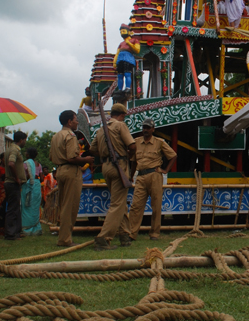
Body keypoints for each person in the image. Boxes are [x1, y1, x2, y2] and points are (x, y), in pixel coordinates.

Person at [89, 103, 137, 250]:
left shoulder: (101, 129)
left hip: (106, 167)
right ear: (122, 115)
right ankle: (104, 237)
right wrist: (124, 156)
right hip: (119, 166)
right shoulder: (120, 126)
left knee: (119, 201)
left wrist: (107, 154)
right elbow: (132, 146)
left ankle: (124, 235)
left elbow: (92, 150)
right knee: (117, 204)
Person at [128, 119, 177, 241]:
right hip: (140, 176)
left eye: (148, 128)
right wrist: (130, 176)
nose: (145, 130)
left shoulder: (159, 142)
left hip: (155, 175)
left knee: (156, 205)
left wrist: (165, 170)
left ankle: (154, 233)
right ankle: (131, 233)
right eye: (144, 127)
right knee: (135, 206)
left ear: (153, 129)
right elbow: (133, 162)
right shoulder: (136, 142)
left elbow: (173, 155)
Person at [49, 110, 92, 247]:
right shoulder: (70, 136)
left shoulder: (56, 136)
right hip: (70, 171)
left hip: (60, 170)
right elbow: (72, 157)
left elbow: (51, 157)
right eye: (75, 119)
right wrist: (86, 159)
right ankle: (65, 239)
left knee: (63, 205)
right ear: (69, 121)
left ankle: (63, 237)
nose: (77, 122)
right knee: (70, 206)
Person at [4, 131, 27, 240]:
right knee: (13, 208)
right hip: (12, 183)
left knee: (15, 207)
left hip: (11, 183)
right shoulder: (14, 150)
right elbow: (11, 163)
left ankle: (16, 232)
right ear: (21, 140)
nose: (25, 142)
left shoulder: (9, 149)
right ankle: (10, 233)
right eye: (25, 140)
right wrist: (17, 178)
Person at [21, 147, 43, 235]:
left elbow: (24, 176)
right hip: (37, 186)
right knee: (35, 208)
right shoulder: (39, 164)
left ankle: (27, 229)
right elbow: (41, 178)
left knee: (27, 207)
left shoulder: (25, 164)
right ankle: (36, 228)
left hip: (29, 186)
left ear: (27, 154)